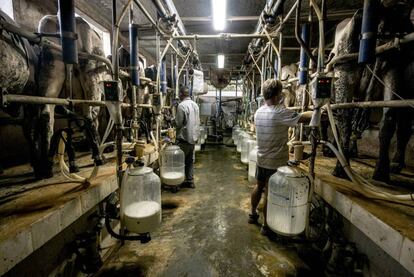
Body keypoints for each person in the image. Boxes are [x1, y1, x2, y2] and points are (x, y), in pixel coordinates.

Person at [248, 79, 313, 235]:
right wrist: (318, 110)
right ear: (278, 95)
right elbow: (304, 118)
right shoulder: (279, 112)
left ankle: (252, 214)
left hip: (261, 158)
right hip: (275, 162)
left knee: (259, 186)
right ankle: (266, 225)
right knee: (271, 192)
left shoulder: (259, 112)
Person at [175, 86, 200, 188]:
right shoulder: (195, 105)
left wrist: (171, 120)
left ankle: (176, 183)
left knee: (179, 162)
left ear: (181, 94)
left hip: (184, 140)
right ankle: (190, 181)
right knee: (189, 161)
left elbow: (178, 123)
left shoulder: (181, 106)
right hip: (193, 139)